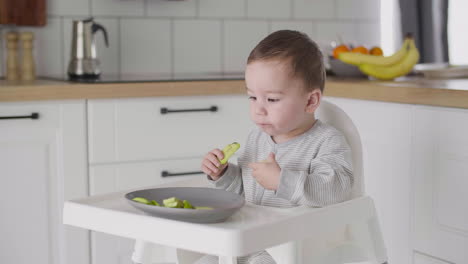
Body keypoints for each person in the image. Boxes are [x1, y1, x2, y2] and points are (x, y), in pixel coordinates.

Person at [198, 30, 354, 264]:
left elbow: (336, 190)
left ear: (310, 101)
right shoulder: (256, 139)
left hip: (295, 247)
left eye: (271, 99)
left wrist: (283, 181)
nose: (259, 109)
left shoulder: (327, 141)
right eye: (252, 97)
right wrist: (223, 174)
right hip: (248, 239)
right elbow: (244, 194)